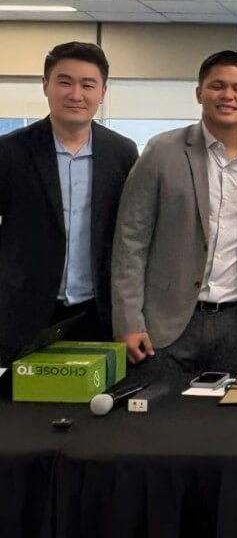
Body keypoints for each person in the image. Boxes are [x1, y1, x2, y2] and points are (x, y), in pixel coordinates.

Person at [111, 50, 237, 375]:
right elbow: (130, 240)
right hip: (164, 322)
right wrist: (128, 320)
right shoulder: (162, 152)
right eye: (217, 86)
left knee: (226, 422)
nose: (227, 95)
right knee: (159, 420)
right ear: (199, 93)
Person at [0, 42, 138, 366]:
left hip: (98, 312)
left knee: (96, 407)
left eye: (87, 84)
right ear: (45, 84)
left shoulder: (122, 153)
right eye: (64, 82)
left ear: (103, 91)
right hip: (24, 312)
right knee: (20, 411)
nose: (76, 94)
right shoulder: (10, 152)